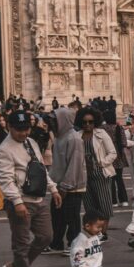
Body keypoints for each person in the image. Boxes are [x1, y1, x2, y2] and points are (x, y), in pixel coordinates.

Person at [0, 110, 62, 267]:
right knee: (21, 243)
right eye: (19, 130)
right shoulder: (4, 150)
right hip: (21, 201)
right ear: (10, 127)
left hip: (38, 199)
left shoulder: (31, 142)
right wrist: (17, 202)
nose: (24, 133)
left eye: (26, 128)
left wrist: (53, 188)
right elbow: (5, 179)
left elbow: (40, 169)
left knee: (46, 237)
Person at [49, 106, 86, 255]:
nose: (51, 125)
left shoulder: (74, 138)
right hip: (59, 184)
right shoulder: (60, 137)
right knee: (57, 215)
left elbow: (75, 164)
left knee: (72, 217)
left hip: (72, 186)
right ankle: (56, 243)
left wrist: (65, 186)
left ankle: (74, 244)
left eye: (54, 121)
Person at [77, 107, 117, 237]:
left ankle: (103, 232)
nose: (87, 124)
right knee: (90, 206)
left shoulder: (101, 133)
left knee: (104, 204)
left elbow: (112, 153)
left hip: (100, 173)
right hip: (84, 175)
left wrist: (101, 163)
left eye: (90, 121)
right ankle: (95, 233)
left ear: (95, 122)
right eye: (84, 122)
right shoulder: (77, 136)